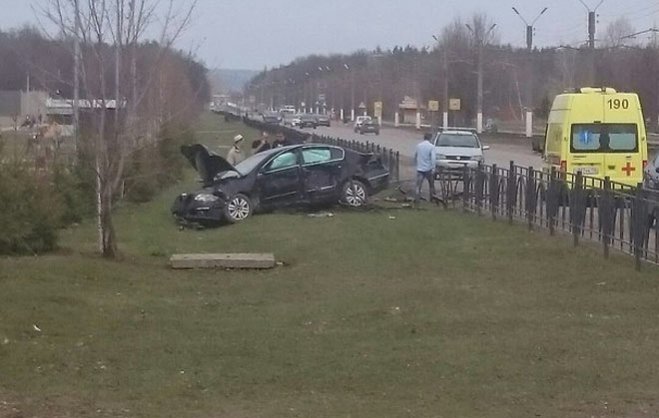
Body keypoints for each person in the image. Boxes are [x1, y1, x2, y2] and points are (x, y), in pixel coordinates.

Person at [414, 132, 437, 203]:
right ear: (430, 138)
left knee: (418, 185)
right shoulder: (431, 147)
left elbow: (415, 156)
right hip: (428, 169)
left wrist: (416, 164)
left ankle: (417, 199)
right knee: (431, 184)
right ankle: (432, 199)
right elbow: (433, 158)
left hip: (420, 169)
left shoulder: (418, 146)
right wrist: (433, 168)